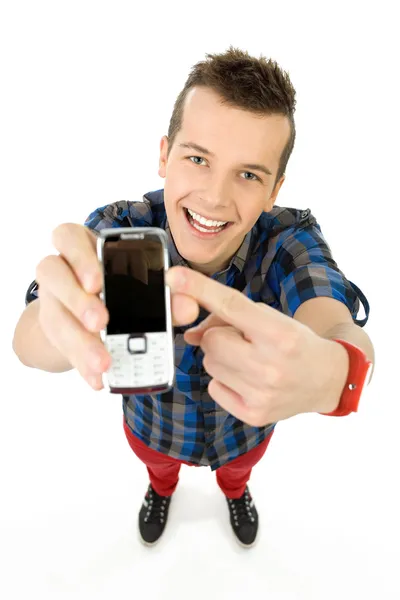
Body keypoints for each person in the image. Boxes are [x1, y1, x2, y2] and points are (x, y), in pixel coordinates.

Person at [13, 47, 375, 549]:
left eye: (248, 174)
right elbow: (31, 337)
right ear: (164, 155)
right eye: (198, 158)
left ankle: (236, 492)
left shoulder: (289, 242)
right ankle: (160, 490)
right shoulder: (120, 231)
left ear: (275, 190)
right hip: (153, 428)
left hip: (243, 437)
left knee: (238, 473)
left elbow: (334, 323)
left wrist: (341, 373)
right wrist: (55, 324)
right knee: (158, 471)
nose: (214, 198)